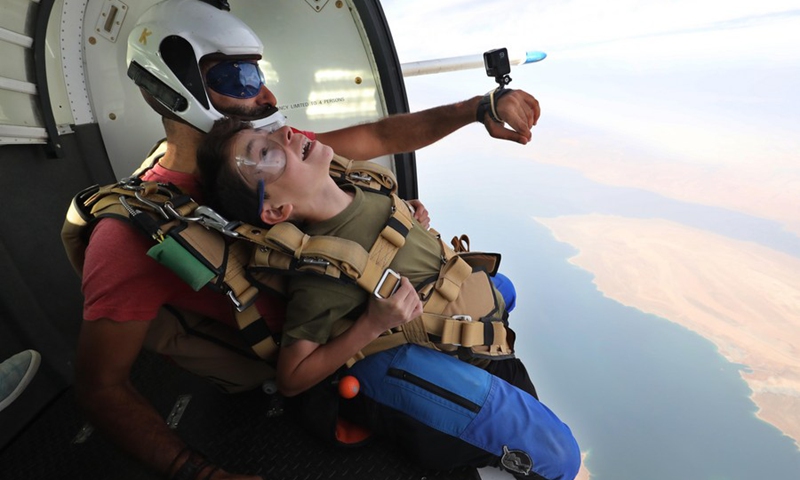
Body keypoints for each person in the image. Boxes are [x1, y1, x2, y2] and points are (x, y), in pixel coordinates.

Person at [68, 0, 541, 479]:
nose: (269, 95)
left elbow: (380, 135)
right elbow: (100, 387)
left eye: (258, 73)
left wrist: (476, 109)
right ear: (177, 89)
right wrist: (198, 472)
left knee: (501, 295)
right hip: (345, 355)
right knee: (544, 447)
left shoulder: (270, 154)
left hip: (382, 303)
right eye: (240, 80)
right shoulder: (130, 235)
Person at [195, 118, 581, 480]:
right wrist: (372, 324)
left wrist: (411, 223)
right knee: (561, 455)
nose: (286, 136)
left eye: (275, 132)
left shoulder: (362, 183)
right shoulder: (321, 273)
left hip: (442, 308)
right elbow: (291, 379)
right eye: (265, 154)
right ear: (277, 209)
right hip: (389, 355)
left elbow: (387, 232)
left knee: (504, 289)